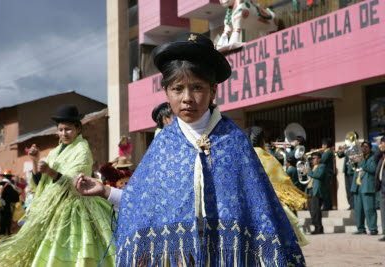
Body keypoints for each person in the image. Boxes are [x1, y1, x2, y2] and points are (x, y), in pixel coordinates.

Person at [75, 32, 305, 266]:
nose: (187, 98)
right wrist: (105, 191)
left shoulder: (234, 140)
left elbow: (260, 205)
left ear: (212, 91)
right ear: (166, 92)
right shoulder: (163, 146)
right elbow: (141, 203)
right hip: (180, 257)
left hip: (228, 256)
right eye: (177, 89)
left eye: (197, 87)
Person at [0, 104, 115, 267]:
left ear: (78, 128)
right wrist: (35, 161)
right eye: (60, 130)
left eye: (68, 129)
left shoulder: (83, 150)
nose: (63, 133)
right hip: (49, 209)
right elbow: (39, 184)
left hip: (73, 209)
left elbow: (76, 183)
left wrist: (50, 171)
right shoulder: (54, 152)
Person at [245, 126, 309, 247]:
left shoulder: (238, 158)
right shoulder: (269, 159)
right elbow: (284, 188)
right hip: (267, 212)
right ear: (263, 142)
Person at [350, 141, 378, 235]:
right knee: (358, 210)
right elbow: (351, 169)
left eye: (366, 147)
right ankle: (360, 229)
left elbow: (372, 169)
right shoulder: (358, 157)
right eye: (362, 147)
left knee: (369, 209)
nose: (364, 149)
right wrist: (352, 159)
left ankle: (373, 228)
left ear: (370, 148)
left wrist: (360, 161)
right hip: (357, 186)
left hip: (367, 185)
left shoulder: (373, 157)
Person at [0, 170, 20, 236]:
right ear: (10, 178)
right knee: (6, 228)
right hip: (6, 211)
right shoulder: (10, 187)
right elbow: (16, 199)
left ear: (2, 177)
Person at [337, 132, 359, 210]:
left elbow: (354, 156)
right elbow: (339, 156)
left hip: (352, 171)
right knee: (348, 189)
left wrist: (346, 151)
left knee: (353, 189)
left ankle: (354, 205)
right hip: (346, 171)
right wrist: (340, 151)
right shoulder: (348, 148)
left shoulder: (356, 147)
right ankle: (351, 205)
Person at [305, 152, 326, 234]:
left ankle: (319, 228)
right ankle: (316, 226)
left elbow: (318, 175)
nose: (312, 160)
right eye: (312, 158)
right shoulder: (313, 167)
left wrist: (309, 172)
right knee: (311, 209)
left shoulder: (322, 166)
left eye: (314, 158)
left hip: (316, 190)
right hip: (310, 189)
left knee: (315, 210)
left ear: (319, 159)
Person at [375, 136, 385, 241]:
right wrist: (380, 149)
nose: (381, 145)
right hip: (382, 187)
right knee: (383, 212)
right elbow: (375, 158)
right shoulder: (382, 156)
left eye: (383, 143)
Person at [321, 138, 334, 210]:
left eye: (323, 144)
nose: (322, 146)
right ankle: (327, 205)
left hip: (327, 174)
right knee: (326, 190)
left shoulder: (327, 152)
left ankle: (327, 205)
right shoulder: (327, 152)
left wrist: (317, 156)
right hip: (327, 174)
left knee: (326, 191)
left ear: (326, 145)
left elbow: (322, 161)